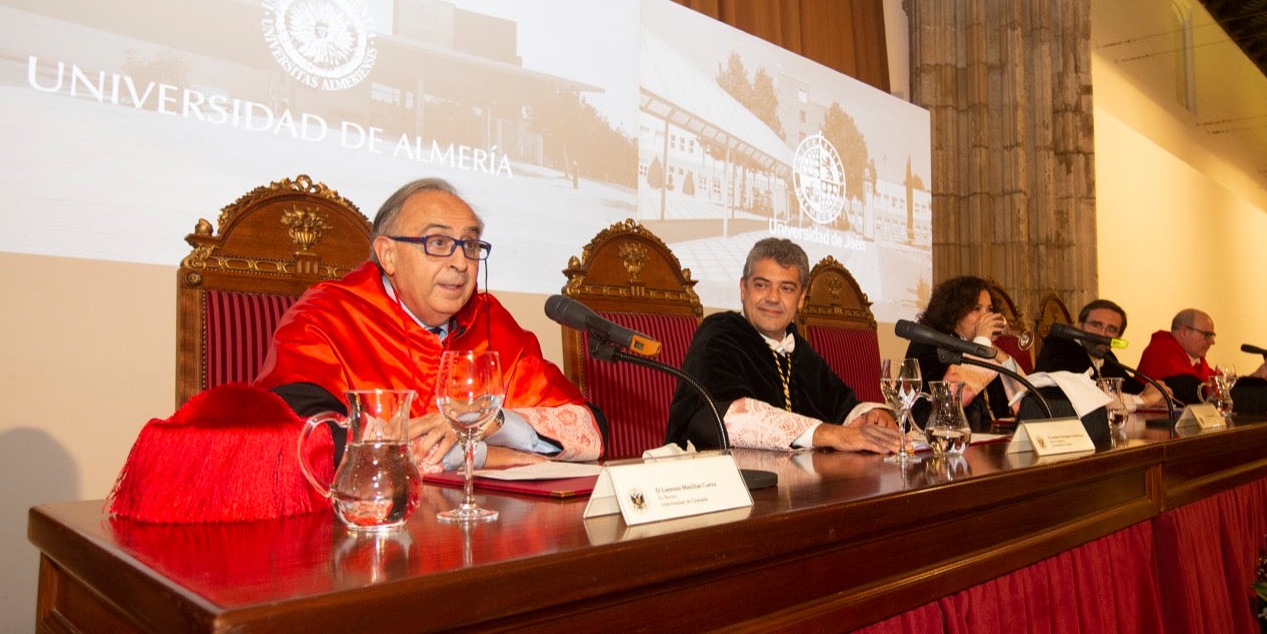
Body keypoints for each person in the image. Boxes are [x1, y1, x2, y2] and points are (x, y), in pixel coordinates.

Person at [256, 177, 603, 470]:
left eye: (469, 244)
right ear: (388, 255)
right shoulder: (327, 316)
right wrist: (483, 455)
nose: (461, 262)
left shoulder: (488, 319)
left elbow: (589, 429)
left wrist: (492, 422)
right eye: (438, 243)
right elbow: (305, 442)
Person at [666, 237, 900, 452]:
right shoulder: (718, 334)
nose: (773, 297)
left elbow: (842, 405)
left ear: (800, 298)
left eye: (786, 288)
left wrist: (872, 415)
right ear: (743, 288)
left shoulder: (796, 348)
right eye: (761, 285)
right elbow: (727, 418)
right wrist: (829, 434)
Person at [902, 276, 1019, 432]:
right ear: (954, 311)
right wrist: (982, 343)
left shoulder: (979, 346)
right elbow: (948, 401)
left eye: (989, 309)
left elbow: (1016, 403)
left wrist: (999, 355)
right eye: (976, 308)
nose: (986, 317)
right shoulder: (928, 343)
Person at [1033, 297, 1168, 411]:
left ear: (1117, 338)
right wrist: (1144, 400)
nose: (1102, 334)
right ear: (1079, 327)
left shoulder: (1107, 357)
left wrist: (1157, 391)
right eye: (1096, 325)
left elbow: (1132, 388)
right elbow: (1087, 399)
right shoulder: (1059, 346)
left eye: (1111, 329)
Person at [1133, 308, 1267, 397]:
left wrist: (1260, 374)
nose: (1212, 342)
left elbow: (1225, 388)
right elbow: (1201, 393)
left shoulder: (1194, 358)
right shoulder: (1162, 349)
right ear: (1184, 331)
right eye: (1206, 335)